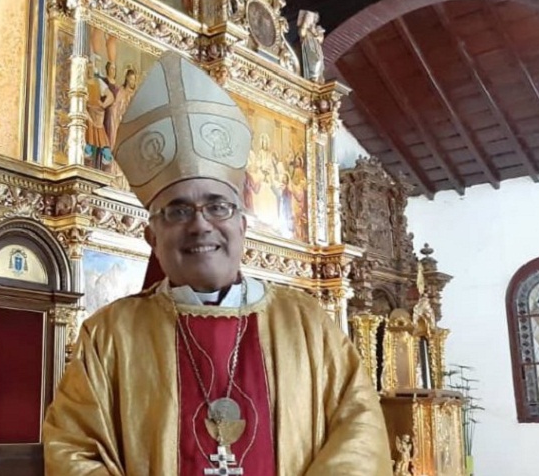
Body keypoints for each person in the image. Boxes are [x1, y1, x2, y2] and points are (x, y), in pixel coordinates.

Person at [43, 52, 392, 475]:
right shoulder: (108, 336)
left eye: (218, 206)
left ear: (243, 226)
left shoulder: (307, 323)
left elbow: (360, 432)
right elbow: (72, 452)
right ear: (152, 237)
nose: (200, 225)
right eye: (176, 210)